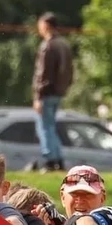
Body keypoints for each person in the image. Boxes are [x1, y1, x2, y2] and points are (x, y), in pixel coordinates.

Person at [32, 12, 74, 172]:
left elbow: (43, 72)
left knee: (44, 127)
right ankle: (59, 160)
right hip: (58, 92)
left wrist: (38, 96)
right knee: (50, 127)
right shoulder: (64, 44)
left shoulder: (48, 45)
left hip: (46, 93)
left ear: (46, 25)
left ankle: (50, 160)